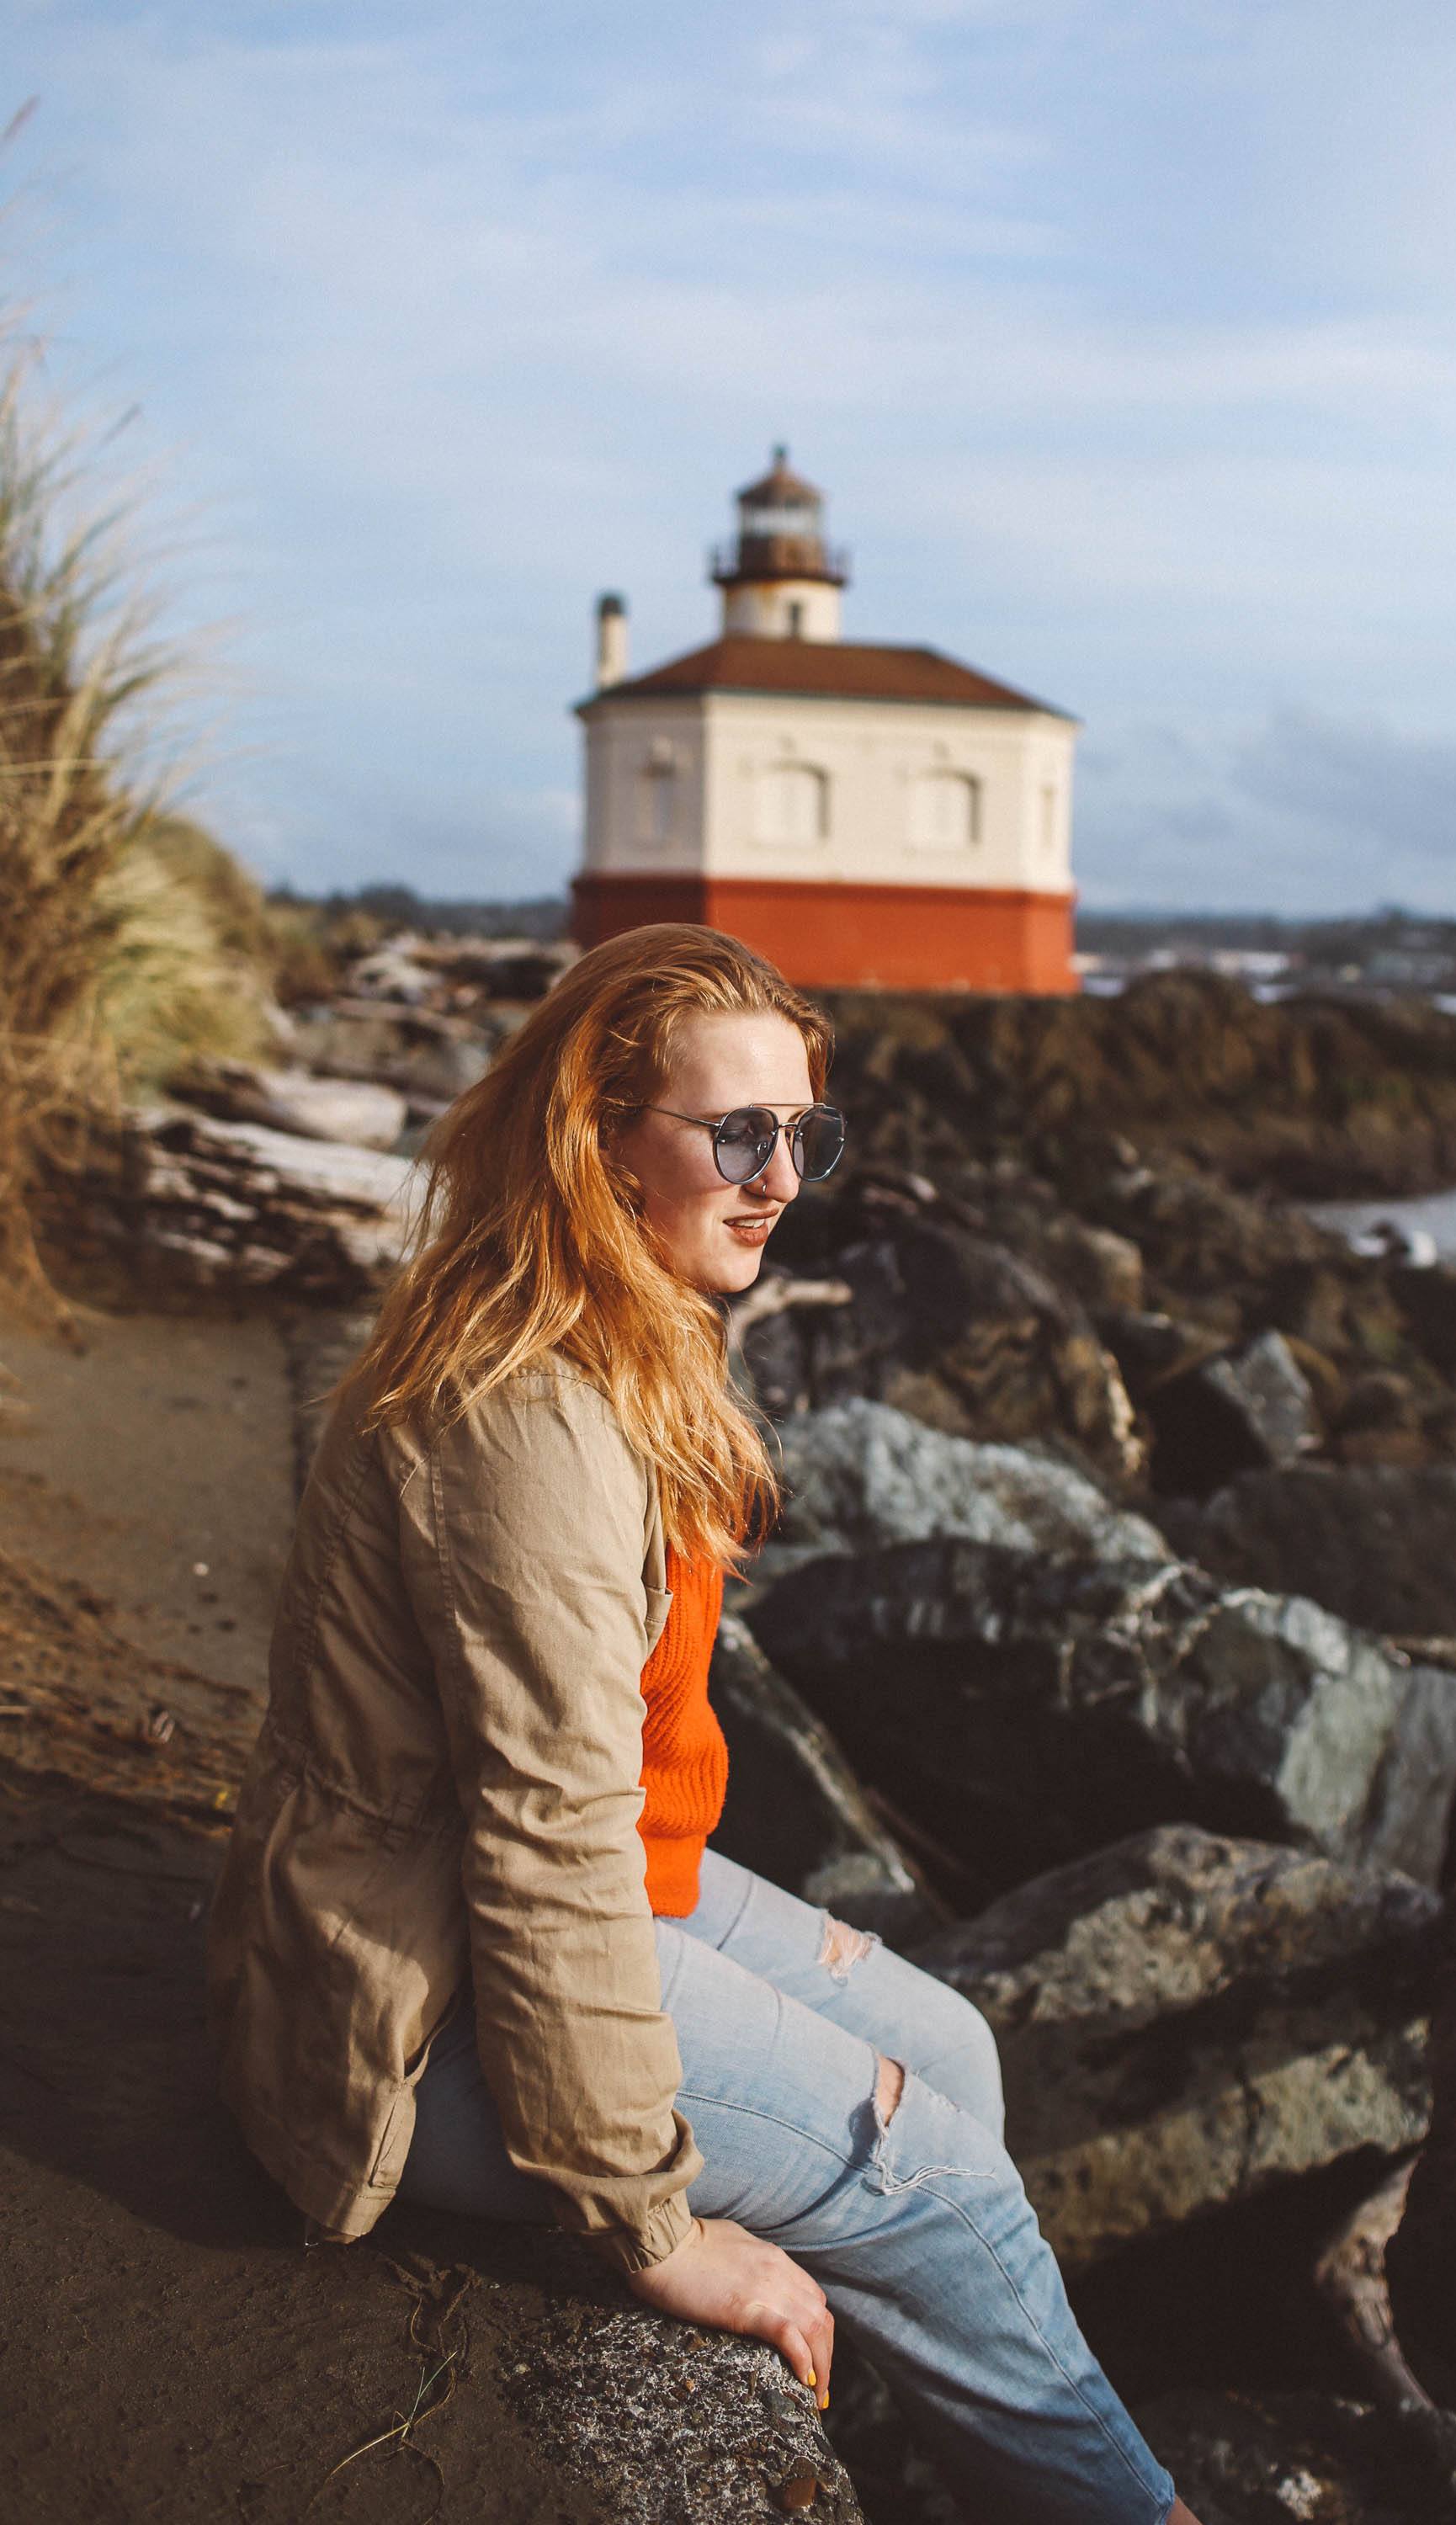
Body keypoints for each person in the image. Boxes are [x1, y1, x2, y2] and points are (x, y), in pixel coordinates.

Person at [208, 924, 1198, 2525]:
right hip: (415, 2012)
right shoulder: (529, 1419)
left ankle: (920, 2427)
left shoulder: (627, 1321)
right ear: (596, 1142)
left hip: (515, 1892)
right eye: (740, 1135)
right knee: (951, 2198)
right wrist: (655, 2229)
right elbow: (544, 1847)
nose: (783, 1176)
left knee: (950, 2048)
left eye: (805, 1133)